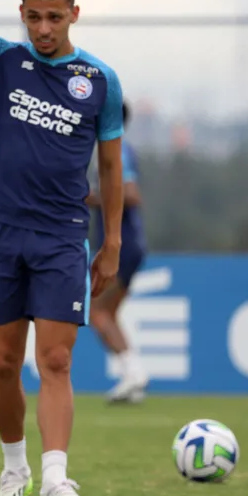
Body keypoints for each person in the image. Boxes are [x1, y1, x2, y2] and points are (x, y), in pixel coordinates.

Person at [0, 0, 124, 496]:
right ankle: (14, 466)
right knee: (1, 363)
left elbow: (111, 169)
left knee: (57, 362)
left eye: (55, 17)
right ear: (21, 13)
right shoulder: (4, 58)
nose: (44, 29)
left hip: (64, 236)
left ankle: (55, 478)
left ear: (74, 14)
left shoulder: (99, 80)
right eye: (35, 17)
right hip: (1, 230)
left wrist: (111, 241)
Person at [87, 101, 150, 403]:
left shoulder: (116, 149)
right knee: (108, 313)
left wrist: (89, 198)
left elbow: (132, 194)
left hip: (122, 244)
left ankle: (134, 373)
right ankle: (132, 378)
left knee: (97, 311)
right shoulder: (113, 149)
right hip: (131, 243)